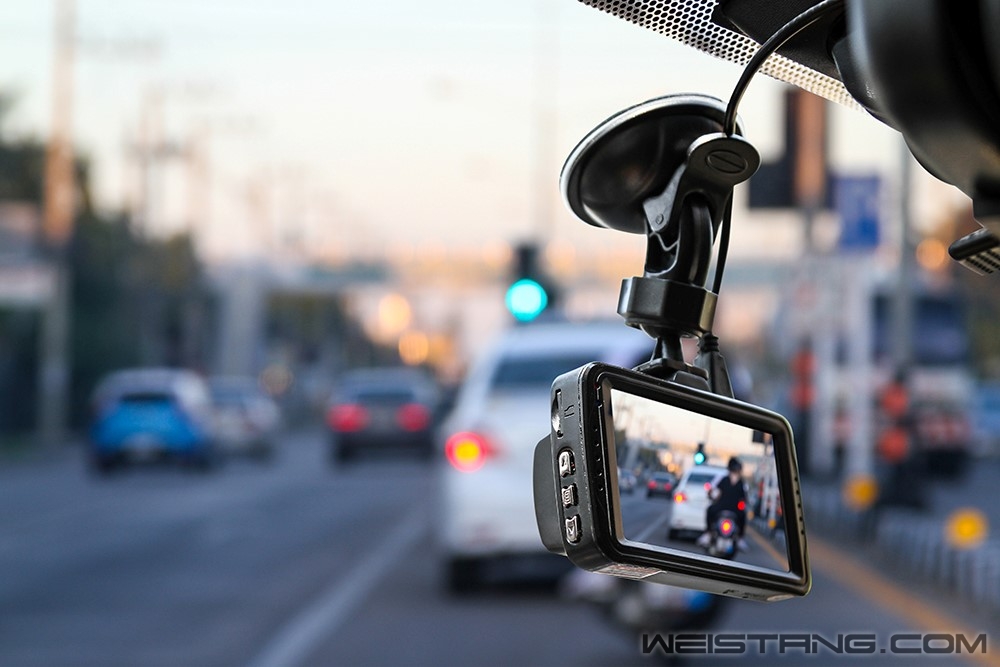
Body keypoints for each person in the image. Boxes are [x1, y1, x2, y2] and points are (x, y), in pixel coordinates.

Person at [697, 457, 748, 551]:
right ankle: (709, 533)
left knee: (710, 510)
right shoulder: (730, 480)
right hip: (727, 508)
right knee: (710, 510)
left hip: (725, 507)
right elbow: (744, 498)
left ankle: (709, 533)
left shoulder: (736, 481)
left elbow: (743, 498)